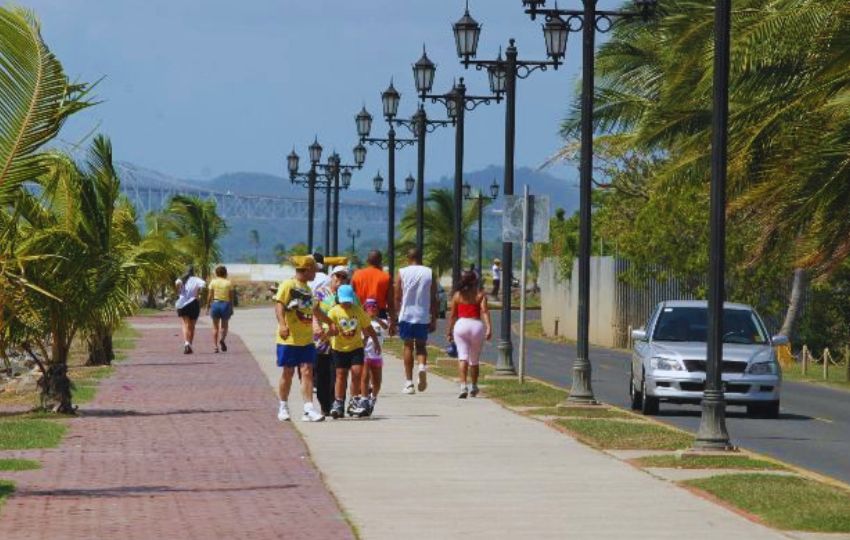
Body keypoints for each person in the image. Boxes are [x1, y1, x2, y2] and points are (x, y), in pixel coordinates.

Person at [275, 255, 333, 422]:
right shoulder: (288, 285)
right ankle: (283, 406)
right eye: (314, 269)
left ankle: (308, 409)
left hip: (306, 339)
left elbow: (315, 310)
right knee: (288, 372)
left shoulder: (307, 289)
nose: (316, 272)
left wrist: (331, 323)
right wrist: (282, 325)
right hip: (289, 338)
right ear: (307, 270)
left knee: (307, 371)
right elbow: (279, 305)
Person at [327, 285, 380, 419]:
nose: (346, 303)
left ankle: (354, 400)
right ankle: (339, 402)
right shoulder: (333, 312)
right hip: (338, 348)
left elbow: (368, 326)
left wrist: (375, 341)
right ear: (338, 298)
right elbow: (327, 328)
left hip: (356, 347)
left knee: (357, 372)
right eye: (344, 300)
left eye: (348, 300)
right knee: (341, 374)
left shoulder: (358, 310)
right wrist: (328, 334)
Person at [313, 265, 357, 416]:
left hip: (341, 341)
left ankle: (337, 405)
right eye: (337, 276)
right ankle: (325, 406)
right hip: (322, 341)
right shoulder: (320, 293)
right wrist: (316, 326)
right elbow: (313, 311)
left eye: (343, 277)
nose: (339, 279)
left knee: (338, 374)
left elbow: (356, 314)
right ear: (331, 277)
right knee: (321, 377)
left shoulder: (349, 296)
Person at [394, 248, 438, 394]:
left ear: (408, 257)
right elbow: (434, 298)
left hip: (406, 315)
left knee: (408, 346)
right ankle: (422, 367)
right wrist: (434, 319)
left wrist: (394, 316)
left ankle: (409, 383)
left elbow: (397, 296)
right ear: (421, 257)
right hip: (423, 315)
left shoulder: (402, 272)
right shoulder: (430, 273)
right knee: (421, 346)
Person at [446, 270, 492, 398]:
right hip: (476, 325)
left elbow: (453, 315)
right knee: (474, 360)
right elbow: (485, 312)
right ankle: (474, 385)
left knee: (463, 357)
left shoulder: (457, 295)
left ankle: (463, 386)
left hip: (461, 326)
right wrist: (489, 328)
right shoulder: (480, 295)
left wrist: (449, 331)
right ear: (475, 281)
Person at [351, 250, 392, 321]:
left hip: (360, 313)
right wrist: (393, 320)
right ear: (380, 261)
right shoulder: (386, 277)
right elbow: (390, 302)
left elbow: (350, 296)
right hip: (380, 315)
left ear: (367, 261)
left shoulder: (356, 275)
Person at [362, 298, 387, 414]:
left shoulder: (382, 322)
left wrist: (375, 318)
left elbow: (386, 327)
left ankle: (373, 398)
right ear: (365, 309)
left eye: (374, 307)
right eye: (369, 307)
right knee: (365, 379)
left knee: (377, 382)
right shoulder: (362, 322)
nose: (372, 309)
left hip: (377, 356)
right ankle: (364, 400)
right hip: (365, 355)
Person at [175, 265, 205, 354]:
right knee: (192, 325)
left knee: (185, 324)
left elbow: (176, 285)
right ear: (193, 272)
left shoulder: (180, 279)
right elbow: (203, 285)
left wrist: (179, 291)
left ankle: (186, 343)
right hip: (194, 303)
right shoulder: (197, 279)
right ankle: (190, 344)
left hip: (182, 303)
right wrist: (198, 293)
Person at [206, 265, 235, 353]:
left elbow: (210, 295)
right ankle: (222, 339)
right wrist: (231, 307)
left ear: (216, 273)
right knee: (224, 325)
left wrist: (207, 306)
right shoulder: (228, 283)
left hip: (215, 304)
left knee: (215, 327)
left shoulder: (213, 282)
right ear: (225, 273)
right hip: (225, 304)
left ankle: (215, 347)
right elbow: (231, 297)